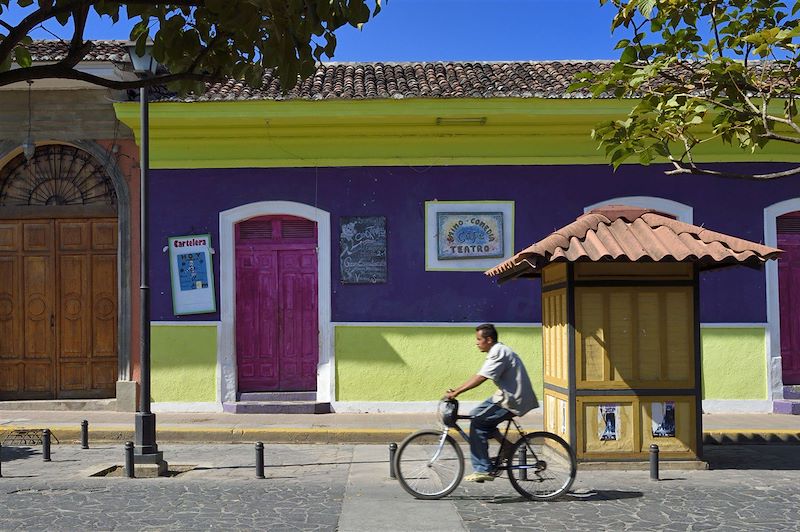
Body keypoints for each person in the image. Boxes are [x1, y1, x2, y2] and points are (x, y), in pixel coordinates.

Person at [444, 323, 538, 482]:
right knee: (475, 415)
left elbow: (481, 377)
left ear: (488, 339)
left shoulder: (499, 353)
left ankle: (483, 469)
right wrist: (456, 390)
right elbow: (481, 374)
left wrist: (457, 392)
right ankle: (507, 446)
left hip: (513, 399)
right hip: (506, 395)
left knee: (478, 424)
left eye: (479, 339)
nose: (476, 343)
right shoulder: (496, 351)